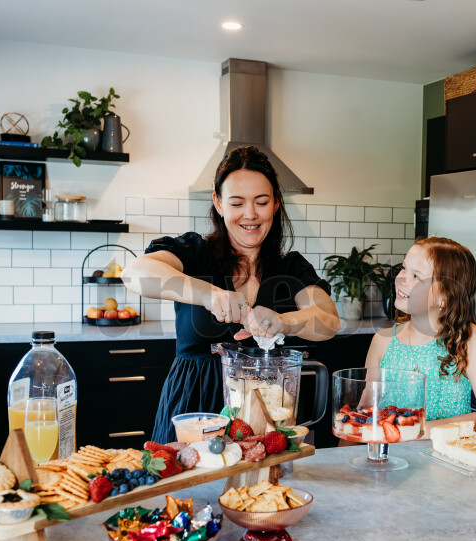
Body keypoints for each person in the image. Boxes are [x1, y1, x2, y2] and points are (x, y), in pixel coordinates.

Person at [122, 146, 340, 442]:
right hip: (194, 410)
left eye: (261, 202)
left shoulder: (291, 268)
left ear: (276, 203)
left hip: (263, 418)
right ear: (219, 203)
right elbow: (134, 273)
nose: (250, 214)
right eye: (237, 203)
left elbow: (328, 321)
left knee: (259, 489)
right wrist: (209, 294)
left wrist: (284, 321)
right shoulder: (194, 253)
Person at [364, 237, 476, 435]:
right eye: (404, 268)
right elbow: (363, 417)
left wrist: (419, 431)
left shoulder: (465, 339)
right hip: (387, 463)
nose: (401, 279)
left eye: (416, 276)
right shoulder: (382, 342)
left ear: (445, 297)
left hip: (448, 463)